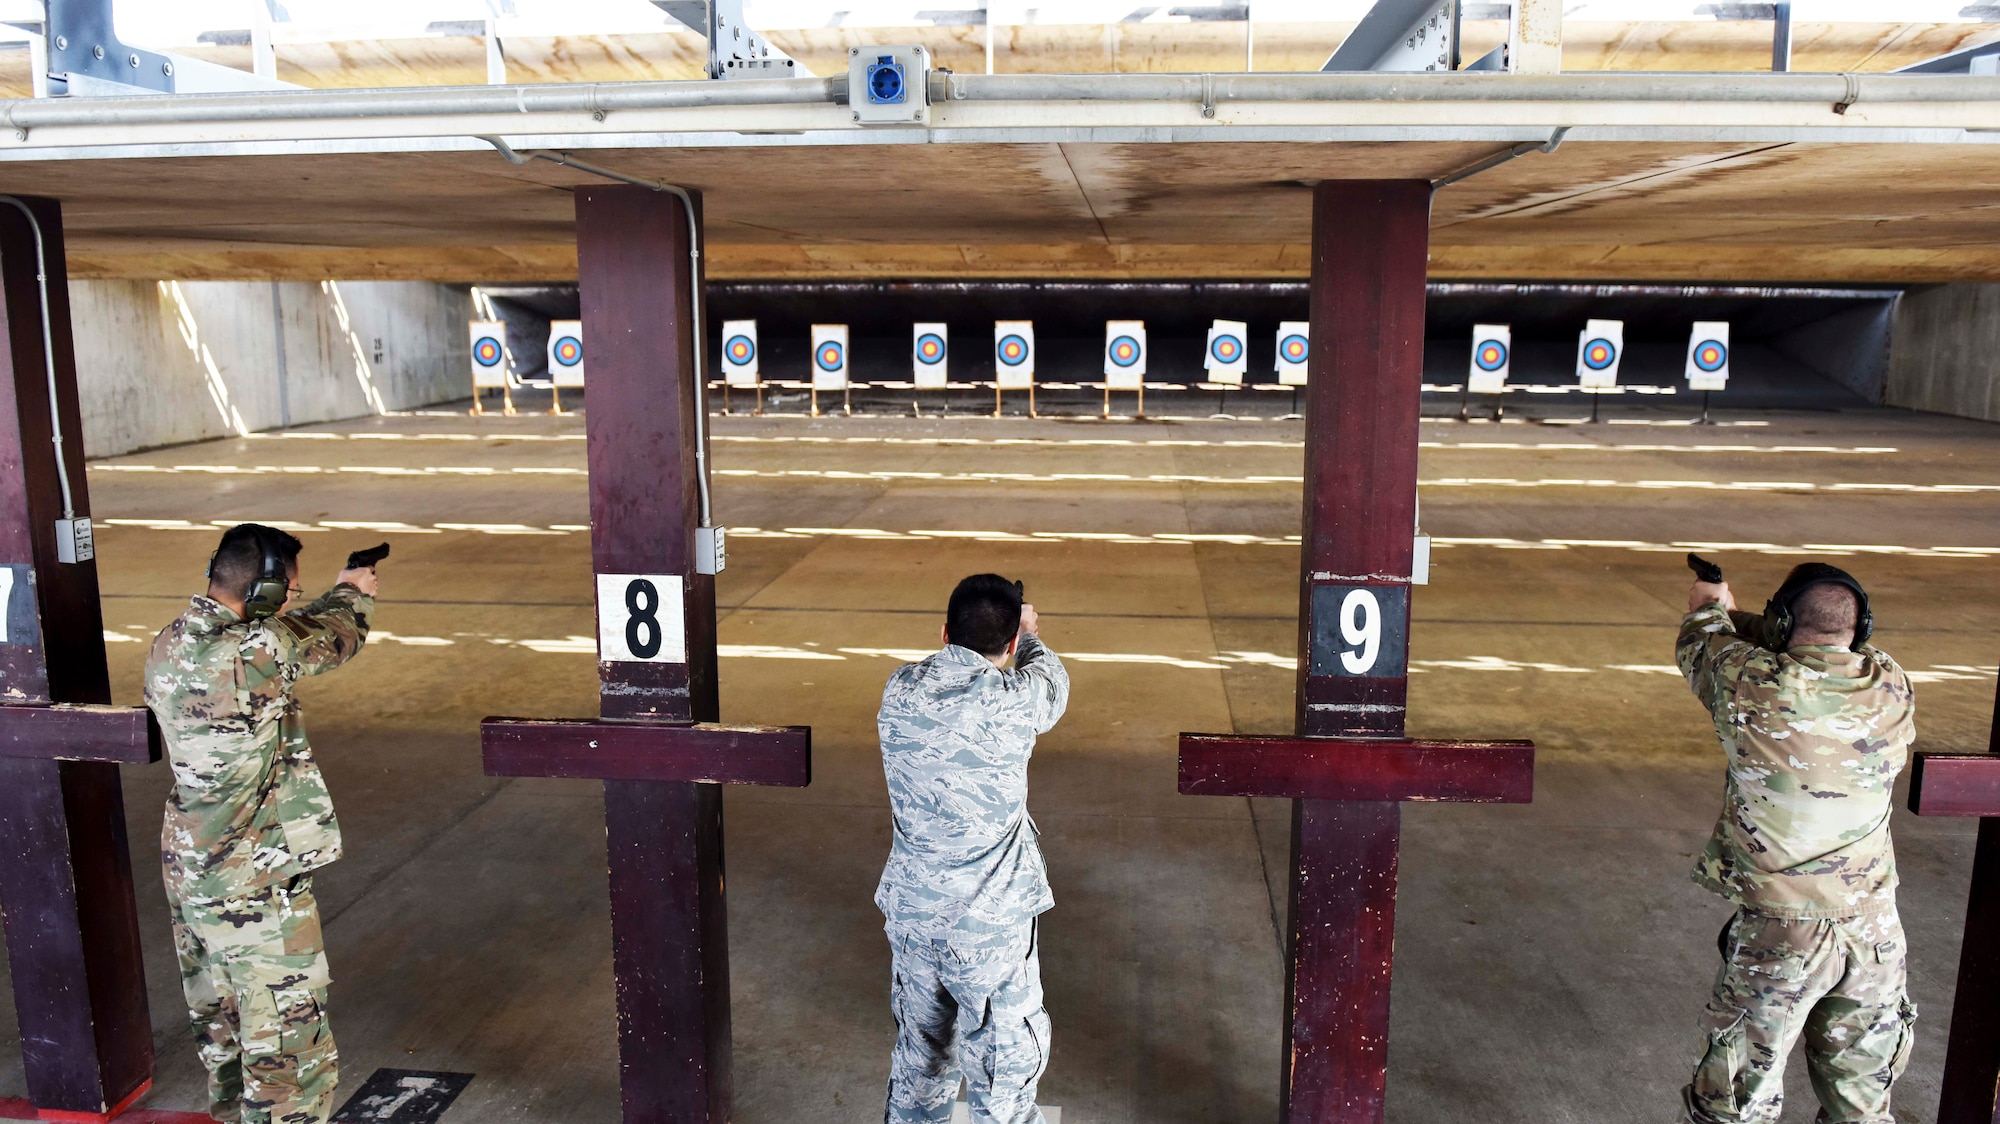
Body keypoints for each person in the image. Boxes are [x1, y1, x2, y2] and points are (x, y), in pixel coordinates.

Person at [145, 524, 379, 1124]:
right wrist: (353, 590)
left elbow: (294, 629)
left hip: (193, 872)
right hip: (253, 882)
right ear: (266, 592)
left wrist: (324, 593)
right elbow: (337, 634)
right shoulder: (256, 652)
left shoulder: (170, 641)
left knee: (225, 1037)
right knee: (287, 1058)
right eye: (290, 591)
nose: (293, 600)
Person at [1674, 561, 1918, 1124]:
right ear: (1862, 628)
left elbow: (1702, 636)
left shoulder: (1748, 681)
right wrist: (1756, 620)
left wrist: (1715, 603)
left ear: (1783, 622)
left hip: (1782, 934)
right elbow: (1812, 640)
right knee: (1861, 1105)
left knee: (1737, 1103)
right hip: (1875, 932)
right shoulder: (1891, 684)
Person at [876, 574, 1070, 1124]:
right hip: (989, 929)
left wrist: (1014, 632)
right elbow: (1050, 679)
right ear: (1008, 645)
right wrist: (1029, 633)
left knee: (919, 1058)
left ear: (944, 633)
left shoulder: (900, 688)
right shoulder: (1017, 698)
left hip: (914, 916)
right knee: (1003, 1069)